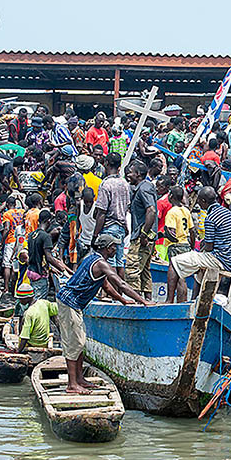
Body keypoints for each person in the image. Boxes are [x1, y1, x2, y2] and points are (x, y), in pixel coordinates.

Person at [56, 234, 151, 394]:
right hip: (69, 302)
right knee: (74, 343)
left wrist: (122, 300)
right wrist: (143, 301)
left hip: (74, 304)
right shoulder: (100, 263)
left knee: (79, 342)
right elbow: (119, 282)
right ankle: (72, 384)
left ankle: (79, 379)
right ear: (107, 248)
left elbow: (106, 286)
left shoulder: (92, 258)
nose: (116, 249)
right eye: (114, 246)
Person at [168, 186, 231, 302]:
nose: (198, 203)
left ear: (204, 201)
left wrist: (201, 248)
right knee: (198, 271)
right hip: (229, 260)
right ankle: (194, 300)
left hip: (218, 259)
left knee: (174, 262)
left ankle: (169, 301)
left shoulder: (210, 218)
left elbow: (209, 248)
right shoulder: (228, 213)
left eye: (199, 200)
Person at [93, 153, 131, 279]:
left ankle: (110, 294)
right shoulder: (124, 183)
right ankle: (119, 293)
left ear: (106, 164)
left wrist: (95, 235)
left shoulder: (106, 184)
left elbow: (101, 212)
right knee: (119, 263)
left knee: (109, 263)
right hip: (121, 226)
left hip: (109, 227)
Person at [125, 161, 158, 302]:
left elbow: (151, 210)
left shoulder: (144, 189)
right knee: (144, 270)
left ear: (138, 174)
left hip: (141, 236)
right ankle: (147, 300)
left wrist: (143, 234)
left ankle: (136, 303)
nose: (128, 175)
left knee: (133, 270)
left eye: (130, 172)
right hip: (144, 235)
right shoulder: (142, 187)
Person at [27, 210, 72, 301]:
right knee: (38, 302)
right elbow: (49, 257)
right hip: (40, 273)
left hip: (31, 270)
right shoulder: (45, 236)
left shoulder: (31, 235)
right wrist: (62, 269)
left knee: (32, 298)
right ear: (48, 221)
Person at [15, 284, 59, 352]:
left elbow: (25, 337)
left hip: (33, 343)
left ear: (26, 298)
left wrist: (18, 351)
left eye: (20, 299)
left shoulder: (29, 313)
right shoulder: (44, 303)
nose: (19, 301)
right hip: (44, 342)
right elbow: (57, 308)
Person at [1, 195, 25, 296]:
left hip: (10, 240)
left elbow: (6, 228)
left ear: (7, 204)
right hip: (21, 241)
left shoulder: (7, 214)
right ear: (15, 204)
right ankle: (16, 287)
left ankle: (6, 288)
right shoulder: (22, 212)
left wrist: (1, 242)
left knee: (7, 265)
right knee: (17, 265)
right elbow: (26, 208)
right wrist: (21, 200)